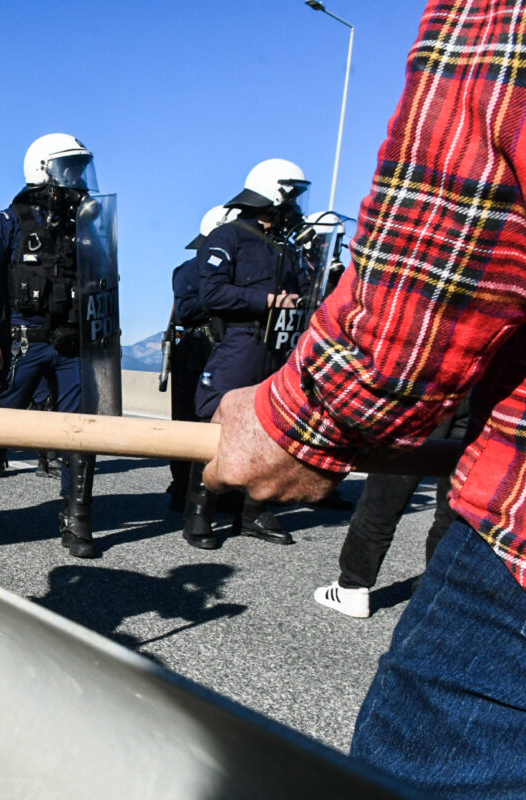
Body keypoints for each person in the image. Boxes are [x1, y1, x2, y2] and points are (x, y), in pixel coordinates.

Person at [204, 1, 526, 794]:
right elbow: (200, 300)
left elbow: (462, 213)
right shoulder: (228, 237)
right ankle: (224, 525)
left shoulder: (287, 243)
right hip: (284, 369)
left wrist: (319, 415)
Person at [0, 134, 103, 559]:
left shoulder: (86, 226)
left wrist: (104, 341)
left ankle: (76, 521)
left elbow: (103, 282)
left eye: (79, 167)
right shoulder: (9, 220)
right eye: (67, 167)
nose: (76, 176)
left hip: (73, 346)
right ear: (42, 169)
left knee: (79, 434)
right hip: (22, 342)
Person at [182, 159, 310, 550]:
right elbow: (213, 294)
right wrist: (267, 300)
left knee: (272, 428)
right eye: (292, 193)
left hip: (279, 347)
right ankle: (199, 512)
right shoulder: (230, 237)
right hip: (242, 343)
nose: (296, 203)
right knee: (217, 426)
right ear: (273, 192)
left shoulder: (291, 246)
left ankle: (254, 511)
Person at [314, 398, 469, 618]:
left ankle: (352, 586)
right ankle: (434, 591)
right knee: (452, 506)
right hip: (481, 391)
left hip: (430, 388)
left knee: (384, 496)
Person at [164, 205, 235, 512]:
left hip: (226, 348)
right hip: (196, 348)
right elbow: (187, 310)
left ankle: (223, 486)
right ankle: (182, 486)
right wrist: (225, 298)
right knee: (187, 420)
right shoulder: (189, 270)